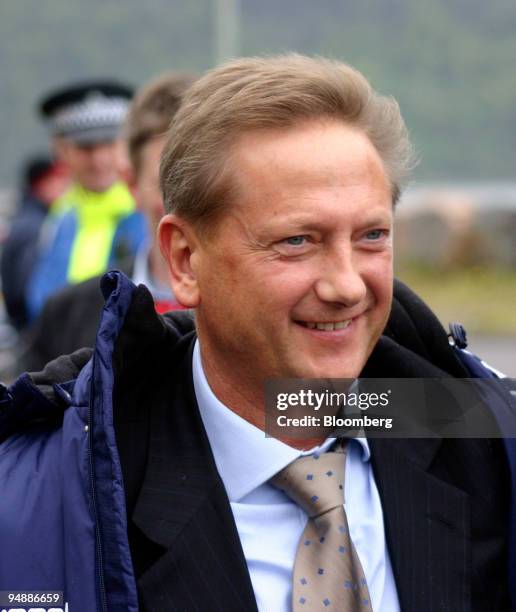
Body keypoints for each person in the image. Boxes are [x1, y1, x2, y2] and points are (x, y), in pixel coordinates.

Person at [0, 55, 512, 612]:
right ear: (186, 259)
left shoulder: (487, 447)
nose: (346, 286)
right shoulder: (54, 498)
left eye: (371, 235)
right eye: (297, 240)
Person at [20, 72, 196, 372]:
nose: (191, 203)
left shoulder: (270, 302)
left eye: (203, 183)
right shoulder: (66, 307)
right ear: (132, 184)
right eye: (167, 185)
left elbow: (298, 412)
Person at [26, 80, 146, 320]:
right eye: (86, 148)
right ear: (62, 150)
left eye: (109, 144)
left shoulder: (146, 213)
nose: (98, 160)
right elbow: (39, 304)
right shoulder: (59, 219)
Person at [0, 155, 69, 329]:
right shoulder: (35, 226)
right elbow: (28, 289)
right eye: (58, 181)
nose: (65, 187)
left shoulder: (26, 216)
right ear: (42, 184)